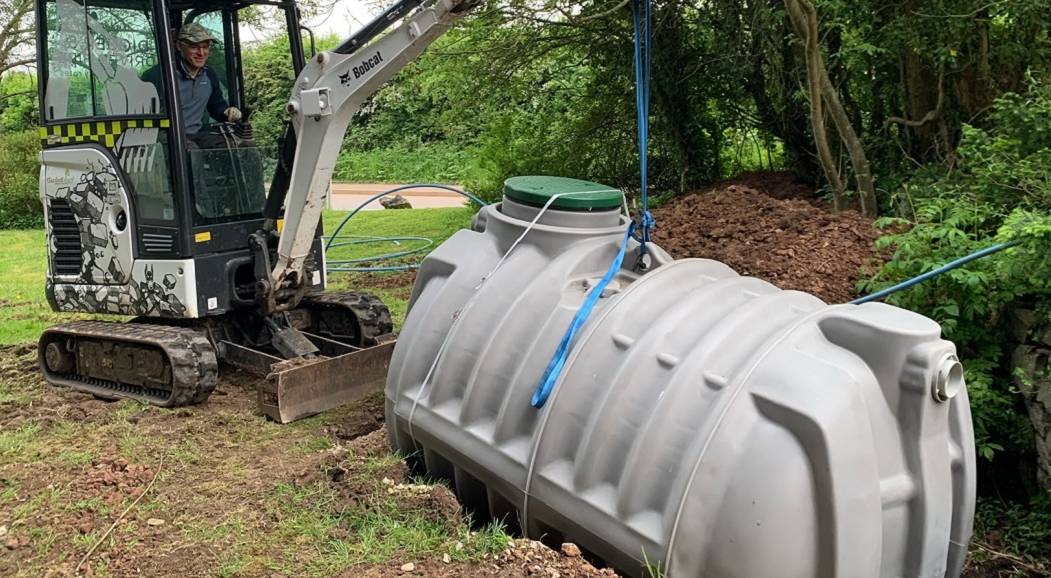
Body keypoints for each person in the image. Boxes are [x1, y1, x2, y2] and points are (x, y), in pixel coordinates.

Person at [142, 22, 241, 134]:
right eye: (194, 47)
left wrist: (227, 112)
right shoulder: (159, 75)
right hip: (167, 139)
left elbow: (216, 105)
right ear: (179, 46)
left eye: (205, 47)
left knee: (242, 146)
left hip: (197, 135)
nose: (201, 53)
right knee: (192, 150)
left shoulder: (208, 74)